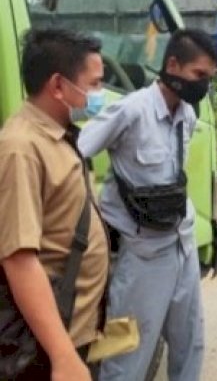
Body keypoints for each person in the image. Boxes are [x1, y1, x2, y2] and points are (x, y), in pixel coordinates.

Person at [78, 29, 217, 381]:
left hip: (182, 244)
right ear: (172, 65)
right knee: (126, 352)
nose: (203, 84)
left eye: (209, 78)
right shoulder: (131, 110)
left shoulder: (186, 114)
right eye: (199, 74)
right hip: (142, 254)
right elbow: (77, 151)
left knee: (190, 344)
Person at [0, 28, 108, 380]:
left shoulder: (57, 136)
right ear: (58, 85)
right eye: (94, 84)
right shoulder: (21, 148)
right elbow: (19, 258)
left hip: (73, 332)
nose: (100, 95)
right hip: (45, 348)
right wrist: (63, 356)